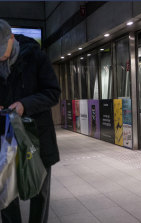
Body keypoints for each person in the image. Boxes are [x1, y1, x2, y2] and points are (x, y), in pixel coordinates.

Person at [0, 19, 60, 223]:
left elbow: (53, 93)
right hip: (6, 139)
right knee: (6, 195)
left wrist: (25, 104)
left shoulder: (36, 57)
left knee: (39, 193)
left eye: (2, 48)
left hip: (37, 138)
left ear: (12, 38)